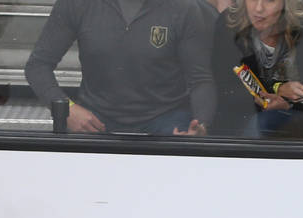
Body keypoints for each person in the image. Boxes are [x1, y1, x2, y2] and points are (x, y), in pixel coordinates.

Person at [24, 0, 216, 135]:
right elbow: (38, 65)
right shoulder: (78, 3)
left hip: (166, 120)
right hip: (95, 119)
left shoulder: (184, 8)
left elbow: (200, 79)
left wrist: (200, 125)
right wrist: (68, 110)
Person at [211, 0, 303, 139]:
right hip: (243, 119)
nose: (259, 8)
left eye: (269, 0)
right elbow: (224, 88)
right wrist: (274, 91)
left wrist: (290, 102)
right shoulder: (229, 23)